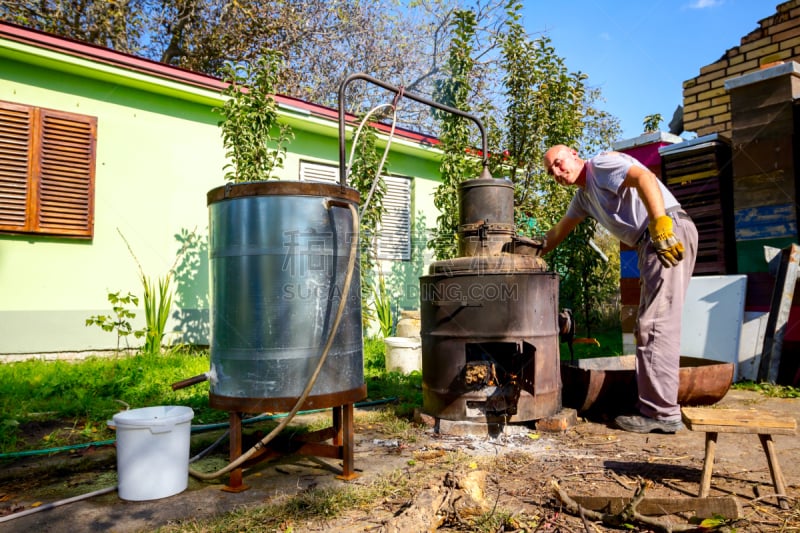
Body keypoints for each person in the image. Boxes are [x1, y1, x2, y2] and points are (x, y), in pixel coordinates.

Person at [542, 145, 698, 434]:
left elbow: (645, 178)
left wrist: (660, 225)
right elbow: (557, 233)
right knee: (652, 324)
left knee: (655, 325)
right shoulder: (584, 198)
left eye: (559, 163)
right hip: (648, 241)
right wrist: (523, 252)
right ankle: (657, 406)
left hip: (663, 231)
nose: (557, 172)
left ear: (574, 155)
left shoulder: (601, 166)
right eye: (551, 171)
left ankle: (661, 414)